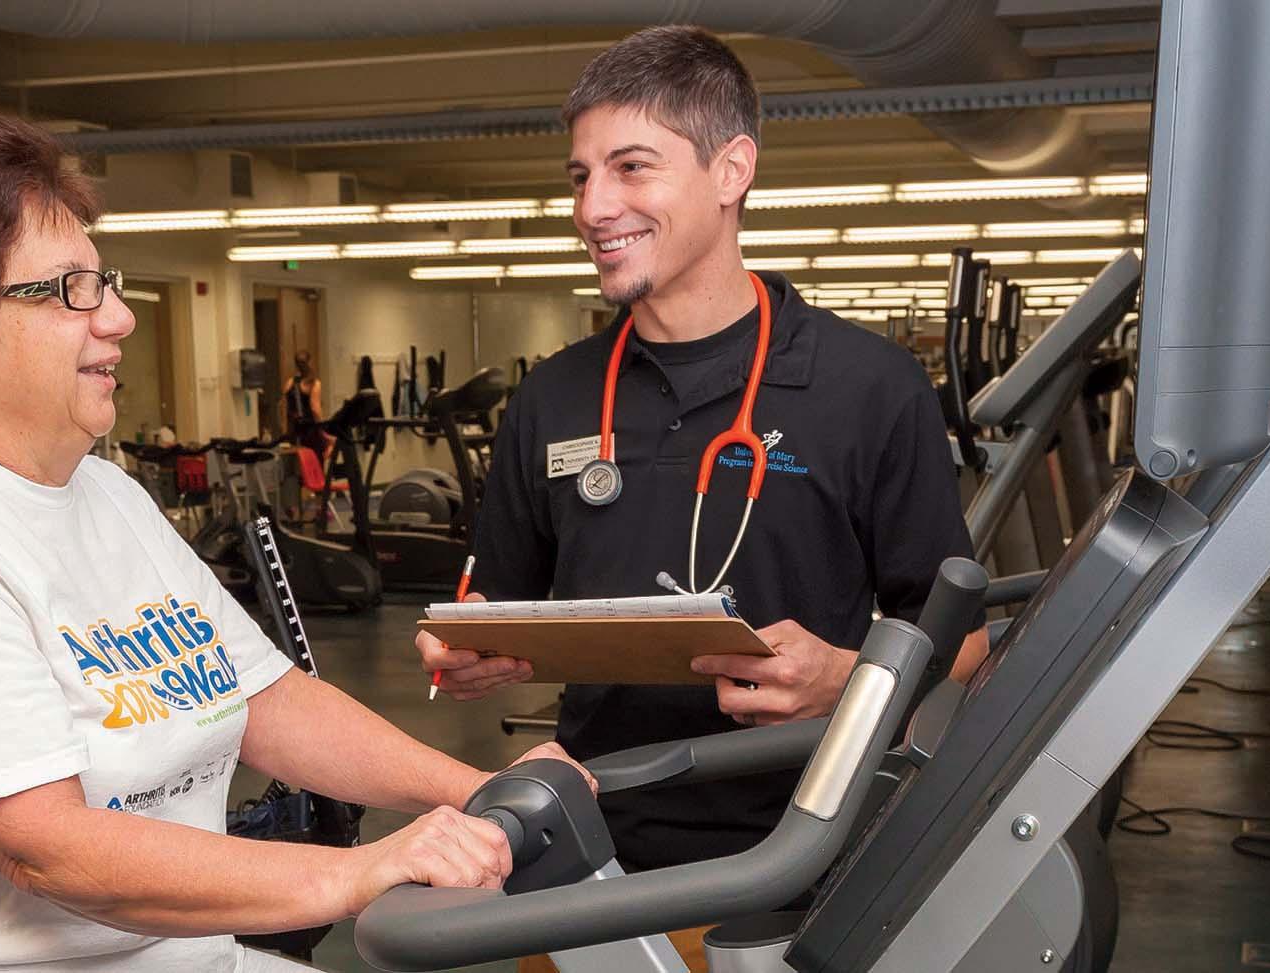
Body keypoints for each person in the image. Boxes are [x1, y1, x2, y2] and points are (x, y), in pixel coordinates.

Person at [0, 112, 586, 973]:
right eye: (69, 292)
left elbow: (266, 702)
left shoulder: (105, 491)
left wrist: (474, 787)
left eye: (107, 283)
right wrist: (361, 871)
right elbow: (42, 845)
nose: (120, 318)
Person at [416, 26, 988, 876]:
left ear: (732, 171)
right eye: (581, 176)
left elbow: (964, 645)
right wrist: (458, 651)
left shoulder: (868, 386)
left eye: (631, 166)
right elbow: (498, 595)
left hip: (800, 857)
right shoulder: (554, 396)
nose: (592, 208)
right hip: (586, 851)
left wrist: (848, 678)